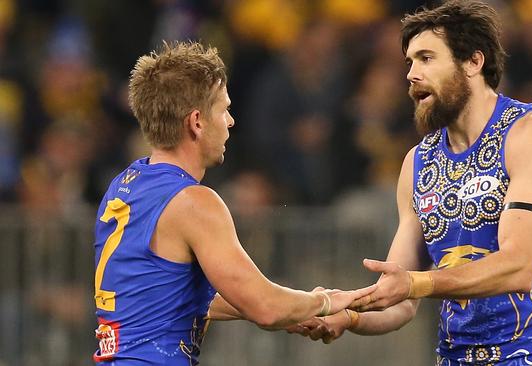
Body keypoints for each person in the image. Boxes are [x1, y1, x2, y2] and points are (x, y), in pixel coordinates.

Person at [293, 1, 532, 365]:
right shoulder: (417, 163)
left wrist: (415, 283)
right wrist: (349, 313)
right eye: (410, 62)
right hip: (454, 357)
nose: (412, 74)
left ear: (473, 62)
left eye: (427, 58)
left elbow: (519, 266)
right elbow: (399, 301)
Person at [92, 41, 375, 365]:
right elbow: (266, 307)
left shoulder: (124, 185)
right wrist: (326, 301)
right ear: (197, 121)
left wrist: (293, 309)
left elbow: (168, 296)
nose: (230, 121)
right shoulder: (193, 203)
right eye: (223, 109)